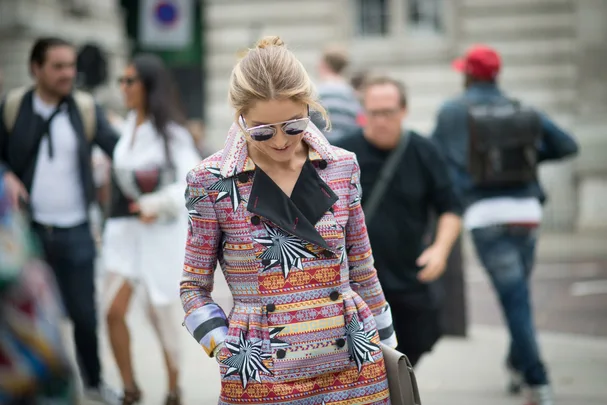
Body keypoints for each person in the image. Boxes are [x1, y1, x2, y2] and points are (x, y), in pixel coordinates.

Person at [181, 36, 397, 405]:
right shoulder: (211, 180)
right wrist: (227, 348)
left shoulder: (342, 166)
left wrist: (390, 345)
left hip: (355, 362)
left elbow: (363, 270)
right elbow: (192, 288)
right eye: (263, 130)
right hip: (262, 371)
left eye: (294, 125)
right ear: (241, 117)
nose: (281, 141)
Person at [432, 45, 579, 405]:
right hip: (527, 212)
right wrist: (531, 157)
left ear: (467, 74)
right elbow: (567, 145)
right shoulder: (521, 108)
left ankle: (537, 379)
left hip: (485, 215)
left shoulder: (453, 110)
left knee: (516, 302)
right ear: (496, 75)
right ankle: (516, 365)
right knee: (518, 297)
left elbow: (437, 159)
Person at [0, 37, 119, 404]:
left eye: (71, 66)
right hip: (29, 233)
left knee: (85, 316)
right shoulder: (13, 107)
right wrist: (5, 173)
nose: (68, 73)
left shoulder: (84, 109)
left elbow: (119, 148)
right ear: (36, 69)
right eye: (58, 66)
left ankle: (95, 384)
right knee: (30, 316)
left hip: (77, 230)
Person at [335, 76, 462, 366]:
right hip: (356, 283)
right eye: (374, 112)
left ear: (403, 111)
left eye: (388, 112)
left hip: (409, 278)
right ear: (363, 112)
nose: (381, 120)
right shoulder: (341, 155)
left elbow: (451, 208)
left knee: (408, 355)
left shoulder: (424, 151)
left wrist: (440, 250)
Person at [102, 54, 201, 405]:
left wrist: (156, 204)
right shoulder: (126, 127)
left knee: (162, 314)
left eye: (131, 81)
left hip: (160, 234)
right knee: (112, 311)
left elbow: (192, 182)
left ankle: (174, 389)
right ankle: (130, 389)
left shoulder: (172, 134)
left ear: (148, 86)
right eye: (122, 81)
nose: (124, 88)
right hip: (124, 234)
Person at [310, 45, 362, 141]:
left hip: (322, 148)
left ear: (323, 64)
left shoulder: (315, 92)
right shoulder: (352, 94)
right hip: (347, 147)